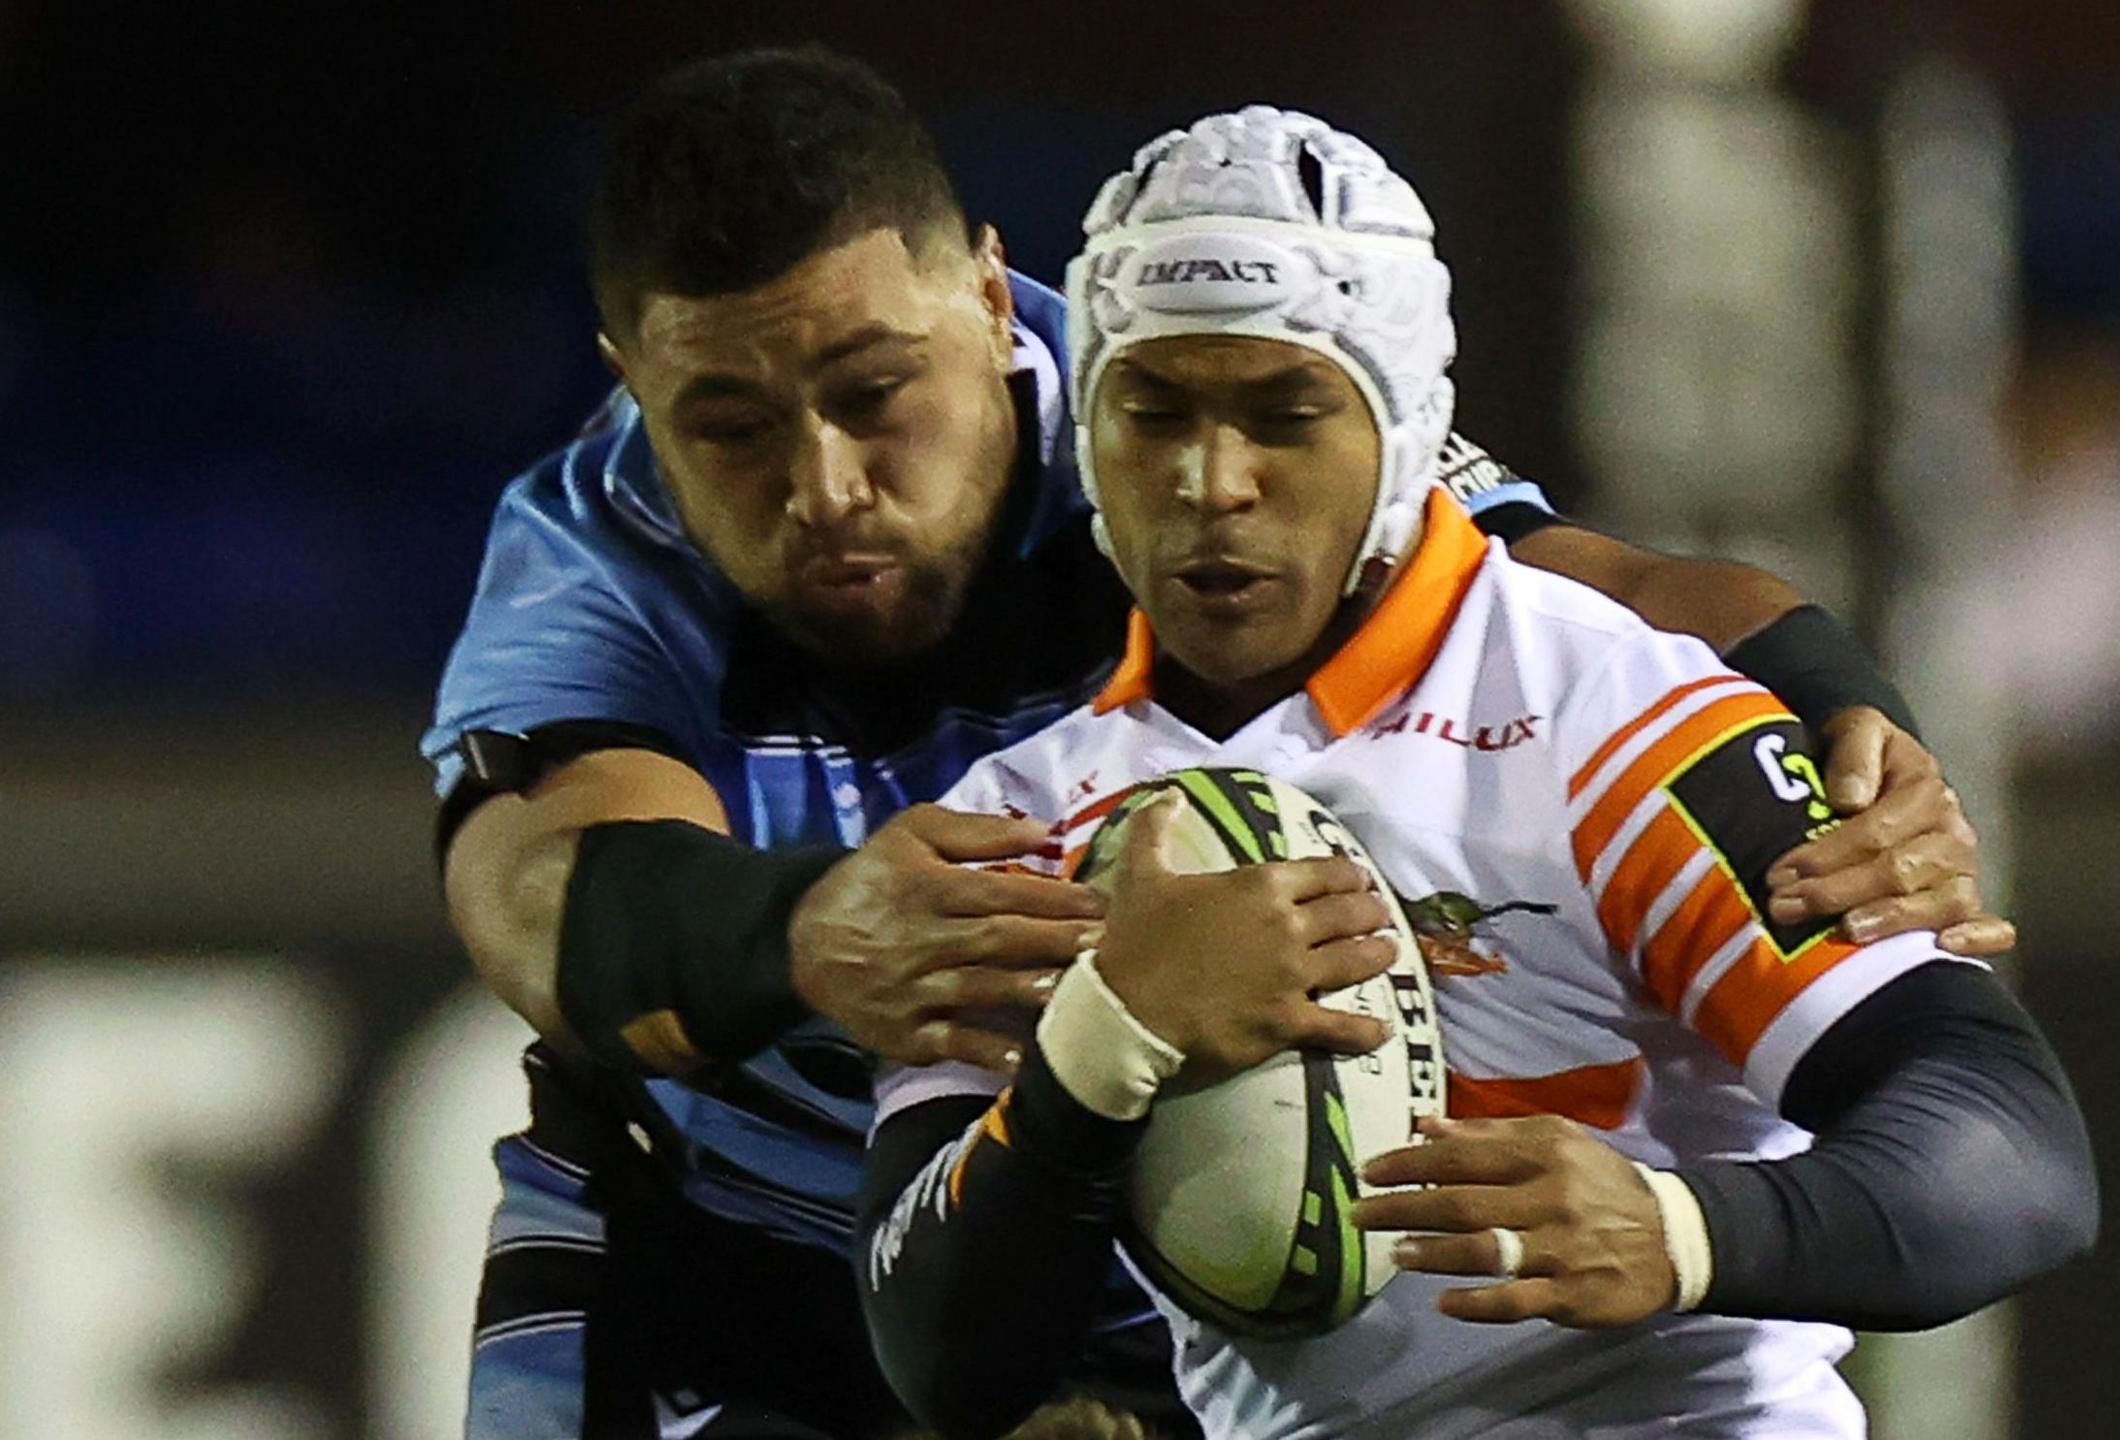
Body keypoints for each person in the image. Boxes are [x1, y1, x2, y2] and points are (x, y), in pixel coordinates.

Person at [427, 47, 2011, 1440]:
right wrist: (809, 933)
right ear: (632, 385)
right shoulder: (595, 544)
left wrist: (1857, 731)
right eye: (730, 426)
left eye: (874, 391)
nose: (827, 482)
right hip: (723, 1227)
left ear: (991, 302)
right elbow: (533, 888)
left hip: (1131, 1231)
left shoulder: (1174, 390)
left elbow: (1619, 591)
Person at [856, 107, 2096, 1440]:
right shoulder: (1017, 829)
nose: (1212, 481)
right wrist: (1110, 1039)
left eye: (1285, 415)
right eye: (1153, 412)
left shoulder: (1612, 718)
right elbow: (939, 1352)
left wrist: (1686, 1229)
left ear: (1403, 440)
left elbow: (2011, 1155)